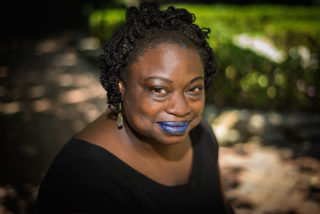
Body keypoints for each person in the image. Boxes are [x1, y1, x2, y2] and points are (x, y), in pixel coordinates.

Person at [37, 3, 234, 214]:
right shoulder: (82, 181)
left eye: (193, 89)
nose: (181, 109)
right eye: (159, 90)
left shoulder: (201, 133)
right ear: (122, 87)